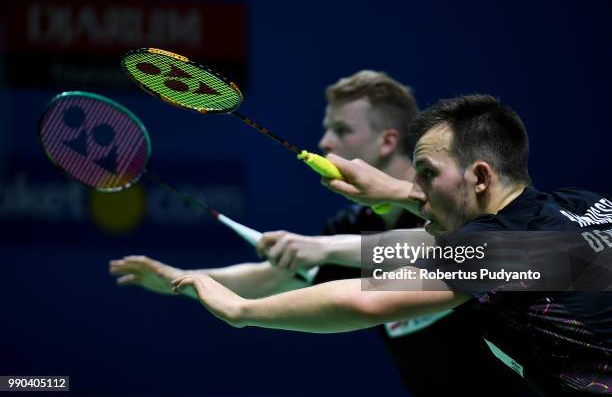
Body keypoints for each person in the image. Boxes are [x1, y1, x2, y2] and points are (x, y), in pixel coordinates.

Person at [110, 77, 529, 396]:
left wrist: (245, 308)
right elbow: (277, 275)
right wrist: (181, 279)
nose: (326, 141)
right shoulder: (356, 224)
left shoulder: (491, 237)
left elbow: (393, 278)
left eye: (342, 130)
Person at [170, 95, 612, 396]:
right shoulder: (580, 205)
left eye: (426, 172)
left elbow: (366, 303)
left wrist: (241, 311)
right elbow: (430, 243)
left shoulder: (501, 251)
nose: (414, 185)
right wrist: (328, 245)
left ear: (479, 176)